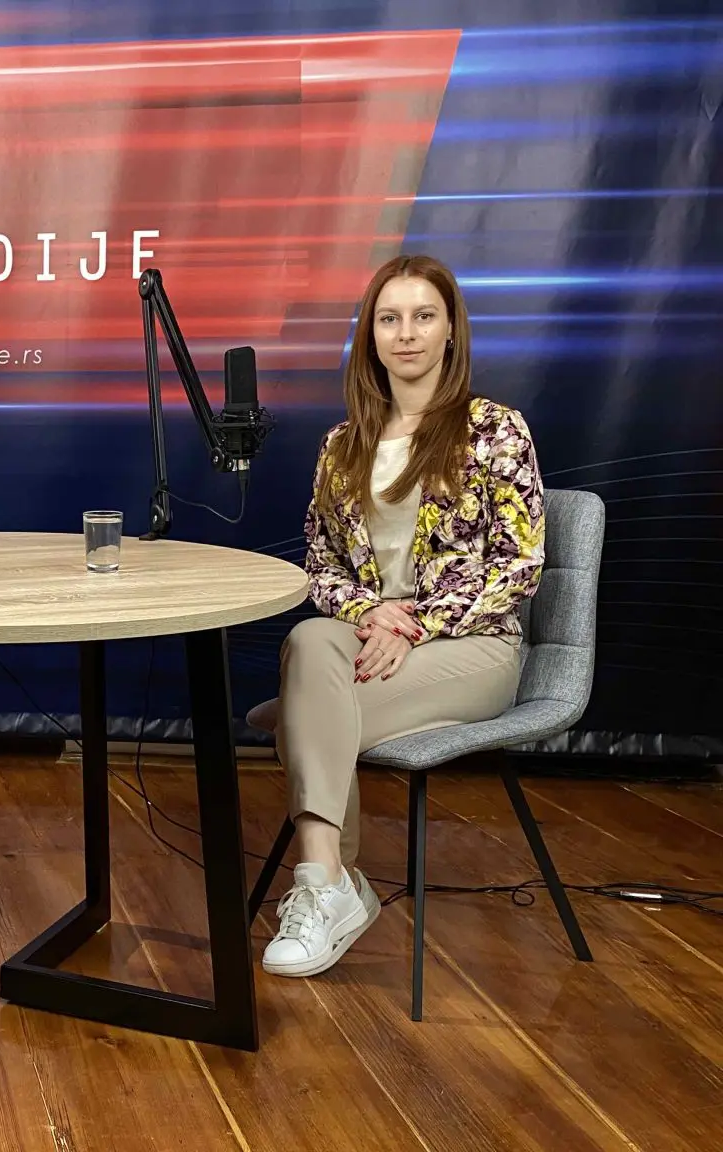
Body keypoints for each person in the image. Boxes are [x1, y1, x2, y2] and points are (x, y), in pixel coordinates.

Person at [261, 254, 544, 978]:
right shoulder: (341, 446)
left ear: (450, 331)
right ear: (371, 336)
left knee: (305, 711)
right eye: (390, 319)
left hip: (473, 648)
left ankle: (327, 889)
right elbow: (320, 565)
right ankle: (327, 878)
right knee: (309, 639)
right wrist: (372, 613)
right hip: (368, 643)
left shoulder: (494, 429)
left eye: (424, 316)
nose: (407, 333)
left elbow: (518, 565)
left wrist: (416, 624)